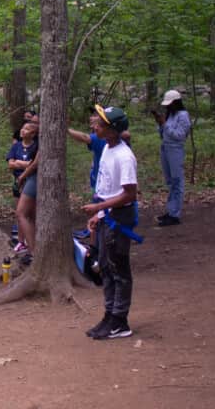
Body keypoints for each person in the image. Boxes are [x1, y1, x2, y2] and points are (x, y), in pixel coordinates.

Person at [81, 105, 141, 340]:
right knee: (105, 266)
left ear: (113, 130)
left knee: (119, 268)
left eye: (101, 123)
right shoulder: (106, 147)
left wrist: (99, 208)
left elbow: (129, 195)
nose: (95, 126)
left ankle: (120, 320)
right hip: (107, 214)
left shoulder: (125, 157)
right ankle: (109, 315)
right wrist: (99, 214)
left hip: (120, 217)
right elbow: (107, 188)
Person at [154, 89, 191, 226]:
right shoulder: (170, 115)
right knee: (170, 181)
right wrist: (160, 123)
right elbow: (164, 134)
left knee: (177, 181)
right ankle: (171, 210)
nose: (168, 106)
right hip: (165, 148)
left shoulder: (183, 115)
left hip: (175, 150)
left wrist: (164, 124)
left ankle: (174, 214)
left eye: (170, 104)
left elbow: (179, 136)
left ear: (176, 102)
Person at [9, 121, 39, 258]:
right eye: (23, 128)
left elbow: (34, 165)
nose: (23, 130)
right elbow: (11, 163)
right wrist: (22, 166)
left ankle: (33, 250)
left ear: (34, 133)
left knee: (21, 213)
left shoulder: (39, 145)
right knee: (28, 215)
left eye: (27, 129)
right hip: (28, 179)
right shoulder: (16, 146)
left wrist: (22, 176)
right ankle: (29, 245)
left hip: (33, 179)